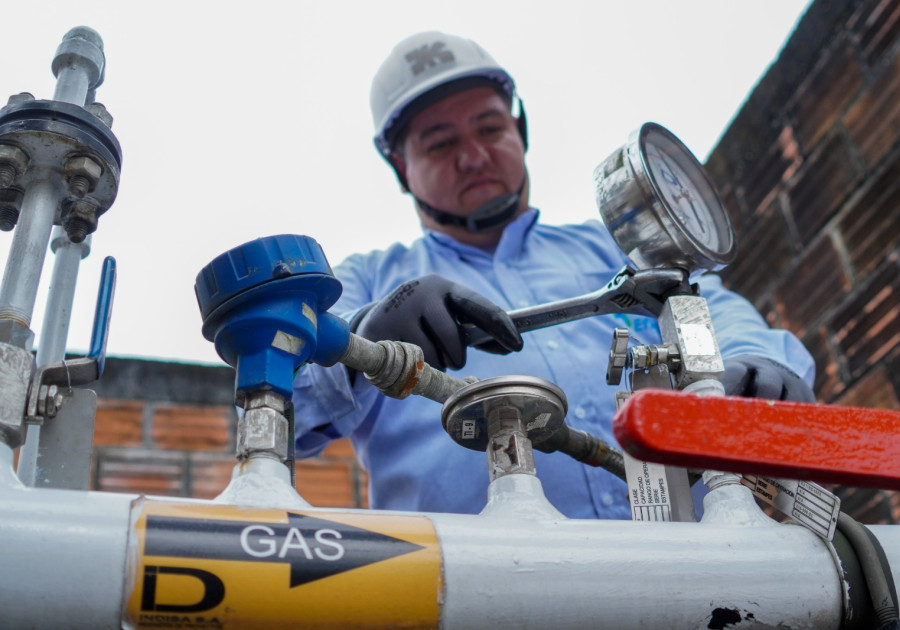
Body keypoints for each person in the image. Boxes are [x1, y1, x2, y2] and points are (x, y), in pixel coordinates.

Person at [292, 31, 815, 519]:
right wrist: (361, 337)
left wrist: (758, 362)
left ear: (519, 130)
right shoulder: (363, 279)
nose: (474, 156)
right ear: (401, 168)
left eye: (490, 128)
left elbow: (715, 310)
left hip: (720, 580)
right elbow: (283, 400)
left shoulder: (613, 247)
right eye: (440, 144)